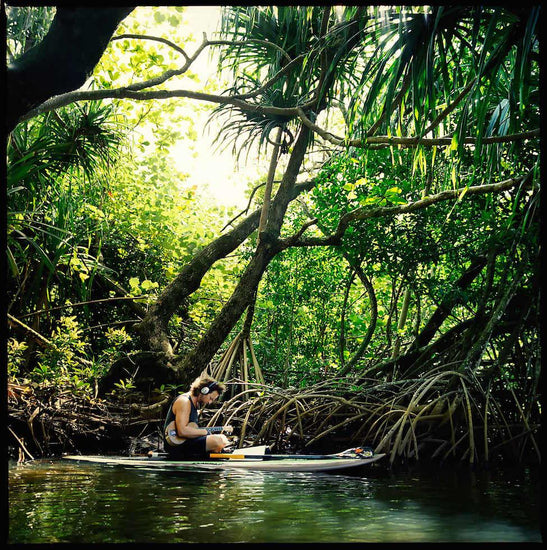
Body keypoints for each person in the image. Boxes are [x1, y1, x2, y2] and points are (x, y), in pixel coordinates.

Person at [163, 375, 233, 460]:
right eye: (210, 398)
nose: (210, 402)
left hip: (187, 443)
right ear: (204, 391)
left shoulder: (195, 404)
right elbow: (182, 431)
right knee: (217, 441)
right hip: (176, 445)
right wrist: (204, 432)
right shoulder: (184, 402)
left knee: (222, 438)